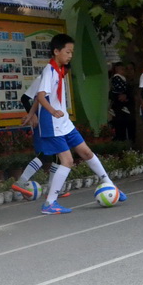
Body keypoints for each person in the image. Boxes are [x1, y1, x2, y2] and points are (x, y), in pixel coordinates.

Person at [35, 34, 125, 214]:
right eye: (67, 52)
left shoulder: (60, 70)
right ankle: (50, 203)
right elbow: (40, 96)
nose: (70, 55)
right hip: (52, 122)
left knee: (86, 152)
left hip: (63, 121)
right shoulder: (50, 70)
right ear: (56, 51)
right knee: (67, 161)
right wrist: (53, 111)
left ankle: (109, 184)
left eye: (72, 52)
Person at [10, 74, 70, 202]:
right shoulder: (43, 79)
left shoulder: (57, 79)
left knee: (56, 153)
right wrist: (32, 115)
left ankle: (52, 188)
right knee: (45, 153)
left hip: (53, 121)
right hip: (43, 121)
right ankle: (22, 181)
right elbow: (25, 98)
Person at [109, 62, 135, 141]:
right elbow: (112, 93)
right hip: (120, 113)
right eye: (126, 69)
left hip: (132, 113)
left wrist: (127, 96)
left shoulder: (133, 83)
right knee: (120, 131)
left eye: (130, 69)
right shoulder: (118, 80)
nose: (127, 71)